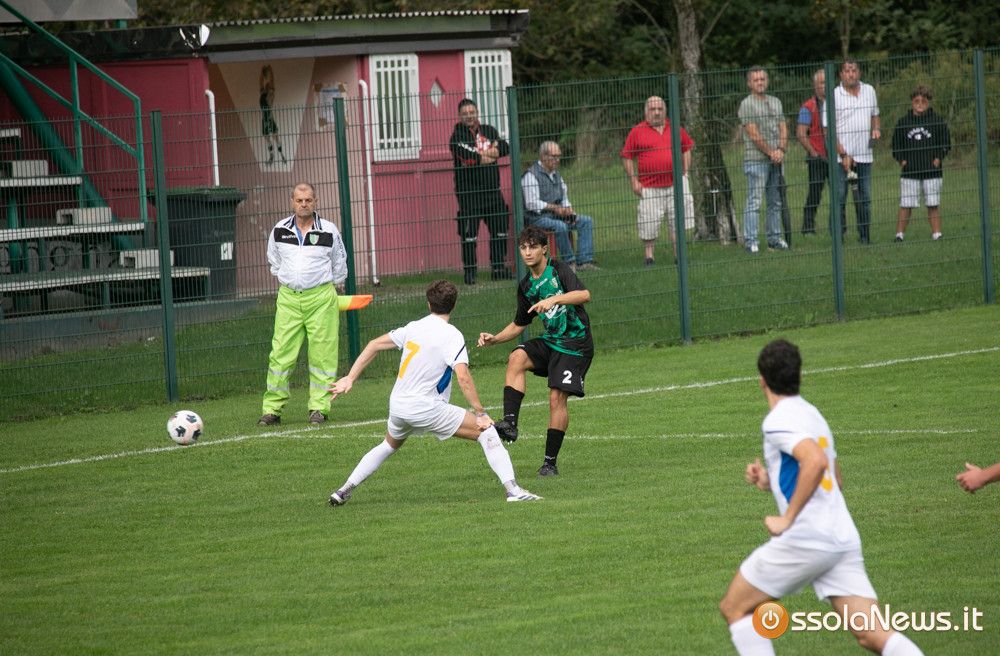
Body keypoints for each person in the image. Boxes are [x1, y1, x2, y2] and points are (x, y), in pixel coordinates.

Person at [720, 339, 923, 656]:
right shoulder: (814, 415)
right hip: (840, 537)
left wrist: (787, 518)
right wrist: (769, 480)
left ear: (761, 380)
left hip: (808, 537)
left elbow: (814, 462)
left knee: (736, 607)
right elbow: (833, 480)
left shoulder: (777, 420)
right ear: (800, 375)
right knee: (872, 634)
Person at [326, 280, 541, 505]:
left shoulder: (413, 327)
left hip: (398, 406)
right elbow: (463, 377)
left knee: (388, 445)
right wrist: (480, 413)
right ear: (454, 305)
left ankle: (343, 490)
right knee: (487, 432)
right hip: (426, 408)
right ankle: (513, 491)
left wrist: (350, 378)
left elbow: (373, 344)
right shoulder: (452, 335)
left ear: (428, 304)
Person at [477, 225, 593, 477]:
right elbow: (519, 324)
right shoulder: (526, 285)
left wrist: (554, 299)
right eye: (523, 248)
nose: (528, 252)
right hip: (551, 341)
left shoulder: (558, 270)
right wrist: (495, 338)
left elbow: (584, 295)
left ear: (544, 249)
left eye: (533, 247)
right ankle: (510, 423)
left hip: (575, 344)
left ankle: (549, 463)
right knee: (517, 357)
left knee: (556, 398)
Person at [258, 182, 348, 427]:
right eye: (299, 200)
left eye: (308, 200)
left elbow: (340, 265)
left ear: (315, 201)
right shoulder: (279, 230)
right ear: (292, 202)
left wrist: (322, 286)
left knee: (322, 355)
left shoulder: (329, 230)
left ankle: (319, 408)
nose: (304, 204)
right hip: (288, 299)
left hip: (321, 299)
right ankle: (272, 410)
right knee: (280, 355)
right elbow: (274, 261)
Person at [620, 95, 695, 266]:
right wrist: (634, 181)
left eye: (660, 109)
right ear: (646, 112)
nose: (656, 113)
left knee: (677, 221)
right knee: (649, 222)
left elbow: (686, 149)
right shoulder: (637, 131)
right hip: (649, 187)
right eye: (652, 109)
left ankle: (679, 256)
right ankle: (649, 258)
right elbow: (627, 157)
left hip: (676, 184)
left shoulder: (675, 128)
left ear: (665, 111)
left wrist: (685, 173)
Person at [449, 98, 513, 285]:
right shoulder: (456, 137)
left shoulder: (489, 130)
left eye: (472, 112)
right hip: (469, 195)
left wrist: (482, 154)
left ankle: (498, 269)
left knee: (500, 230)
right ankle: (470, 273)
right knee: (469, 236)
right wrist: (489, 153)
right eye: (465, 113)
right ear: (459, 116)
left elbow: (505, 148)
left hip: (493, 192)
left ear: (477, 112)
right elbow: (470, 158)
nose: (469, 116)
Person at [824, 58, 881, 244]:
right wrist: (843, 154)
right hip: (841, 158)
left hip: (865, 156)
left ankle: (865, 236)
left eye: (854, 70)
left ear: (859, 72)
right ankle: (837, 238)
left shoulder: (869, 90)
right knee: (839, 198)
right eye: (847, 71)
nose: (851, 74)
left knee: (865, 198)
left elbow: (875, 115)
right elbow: (828, 131)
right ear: (841, 74)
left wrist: (876, 130)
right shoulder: (833, 95)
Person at [521, 140, 598, 271]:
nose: (557, 160)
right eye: (554, 156)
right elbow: (531, 203)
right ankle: (569, 262)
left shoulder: (556, 175)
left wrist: (568, 210)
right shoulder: (530, 175)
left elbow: (564, 196)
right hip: (536, 218)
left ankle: (584, 261)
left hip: (556, 215)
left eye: (558, 156)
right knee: (560, 226)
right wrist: (555, 208)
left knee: (586, 221)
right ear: (543, 156)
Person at [891, 85, 951, 242]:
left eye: (923, 101)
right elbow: (896, 146)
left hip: (932, 171)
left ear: (928, 102)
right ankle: (899, 235)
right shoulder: (903, 123)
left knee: (933, 204)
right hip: (910, 172)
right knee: (906, 204)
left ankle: (937, 234)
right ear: (912, 102)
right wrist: (902, 160)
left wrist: (938, 158)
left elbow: (946, 143)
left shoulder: (937, 121)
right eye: (916, 101)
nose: (920, 104)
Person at [739, 67, 788, 254]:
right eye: (756, 80)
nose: (760, 82)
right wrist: (770, 152)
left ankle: (774, 239)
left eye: (762, 79)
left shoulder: (776, 101)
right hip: (756, 159)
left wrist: (781, 149)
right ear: (749, 83)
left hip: (777, 159)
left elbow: (783, 127)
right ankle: (751, 241)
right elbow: (753, 134)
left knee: (775, 201)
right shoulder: (747, 104)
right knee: (755, 200)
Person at [796, 69, 828, 235]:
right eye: (822, 83)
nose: (825, 86)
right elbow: (801, 134)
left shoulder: (838, 104)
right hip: (817, 157)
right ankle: (808, 227)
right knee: (815, 192)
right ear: (815, 86)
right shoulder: (808, 107)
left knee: (840, 194)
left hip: (836, 156)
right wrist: (813, 153)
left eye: (827, 82)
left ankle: (838, 228)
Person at [259, 65, 287, 165]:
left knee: (275, 137)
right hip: (264, 119)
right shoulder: (263, 94)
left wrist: (270, 71)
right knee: (267, 138)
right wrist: (262, 73)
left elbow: (272, 82)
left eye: (268, 85)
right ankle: (271, 156)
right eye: (266, 85)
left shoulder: (270, 94)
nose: (267, 85)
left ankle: (282, 155)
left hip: (269, 118)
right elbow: (260, 83)